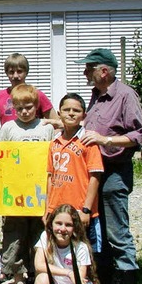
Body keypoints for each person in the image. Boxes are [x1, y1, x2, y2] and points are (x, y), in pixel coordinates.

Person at [76, 48, 142, 284]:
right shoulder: (96, 97)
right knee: (99, 230)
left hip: (115, 171)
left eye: (89, 68)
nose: (85, 72)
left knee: (118, 232)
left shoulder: (125, 96)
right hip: (95, 172)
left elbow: (138, 135)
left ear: (103, 71)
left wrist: (106, 141)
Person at [0, 84, 55, 284]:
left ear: (37, 106)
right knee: (14, 236)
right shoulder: (9, 128)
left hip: (40, 192)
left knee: (39, 235)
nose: (24, 112)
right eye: (19, 108)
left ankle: (38, 279)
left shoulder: (46, 127)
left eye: (29, 107)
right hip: (15, 193)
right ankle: (18, 280)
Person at [45, 93, 103, 252]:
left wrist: (87, 209)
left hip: (79, 209)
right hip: (57, 210)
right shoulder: (54, 143)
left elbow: (95, 177)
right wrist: (47, 210)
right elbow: (50, 177)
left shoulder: (88, 142)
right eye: (66, 109)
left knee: (83, 253)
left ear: (83, 115)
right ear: (59, 113)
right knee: (58, 252)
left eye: (76, 110)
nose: (71, 113)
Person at [0, 53, 57, 141]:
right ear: (6, 73)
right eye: (11, 72)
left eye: (19, 71)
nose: (15, 76)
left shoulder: (36, 94)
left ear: (26, 72)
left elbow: (56, 122)